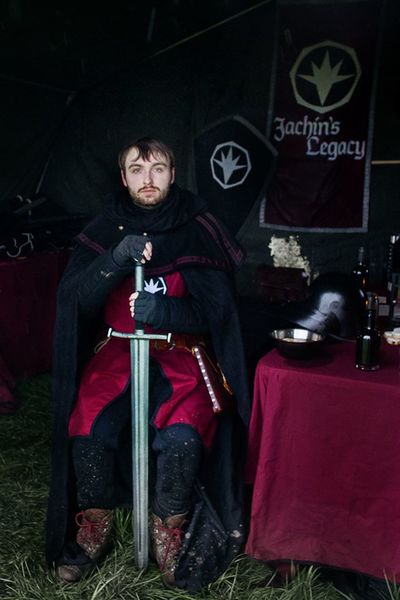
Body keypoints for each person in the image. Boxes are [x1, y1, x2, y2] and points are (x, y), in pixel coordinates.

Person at [45, 137, 250, 591]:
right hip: (117, 352)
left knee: (181, 438)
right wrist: (115, 259)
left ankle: (168, 532)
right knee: (89, 428)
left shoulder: (198, 226)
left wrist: (168, 312)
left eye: (157, 169)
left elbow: (219, 313)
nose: (148, 179)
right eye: (137, 170)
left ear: (172, 174)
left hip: (180, 352)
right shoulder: (105, 227)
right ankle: (94, 526)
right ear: (124, 178)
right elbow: (77, 302)